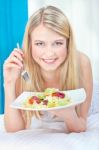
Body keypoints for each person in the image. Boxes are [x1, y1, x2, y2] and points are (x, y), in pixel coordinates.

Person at [3, 5, 93, 133]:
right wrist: (9, 83)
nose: (49, 53)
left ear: (68, 42)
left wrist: (68, 114)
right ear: (30, 44)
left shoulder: (82, 63)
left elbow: (80, 126)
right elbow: (14, 129)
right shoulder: (23, 68)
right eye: (40, 44)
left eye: (58, 43)